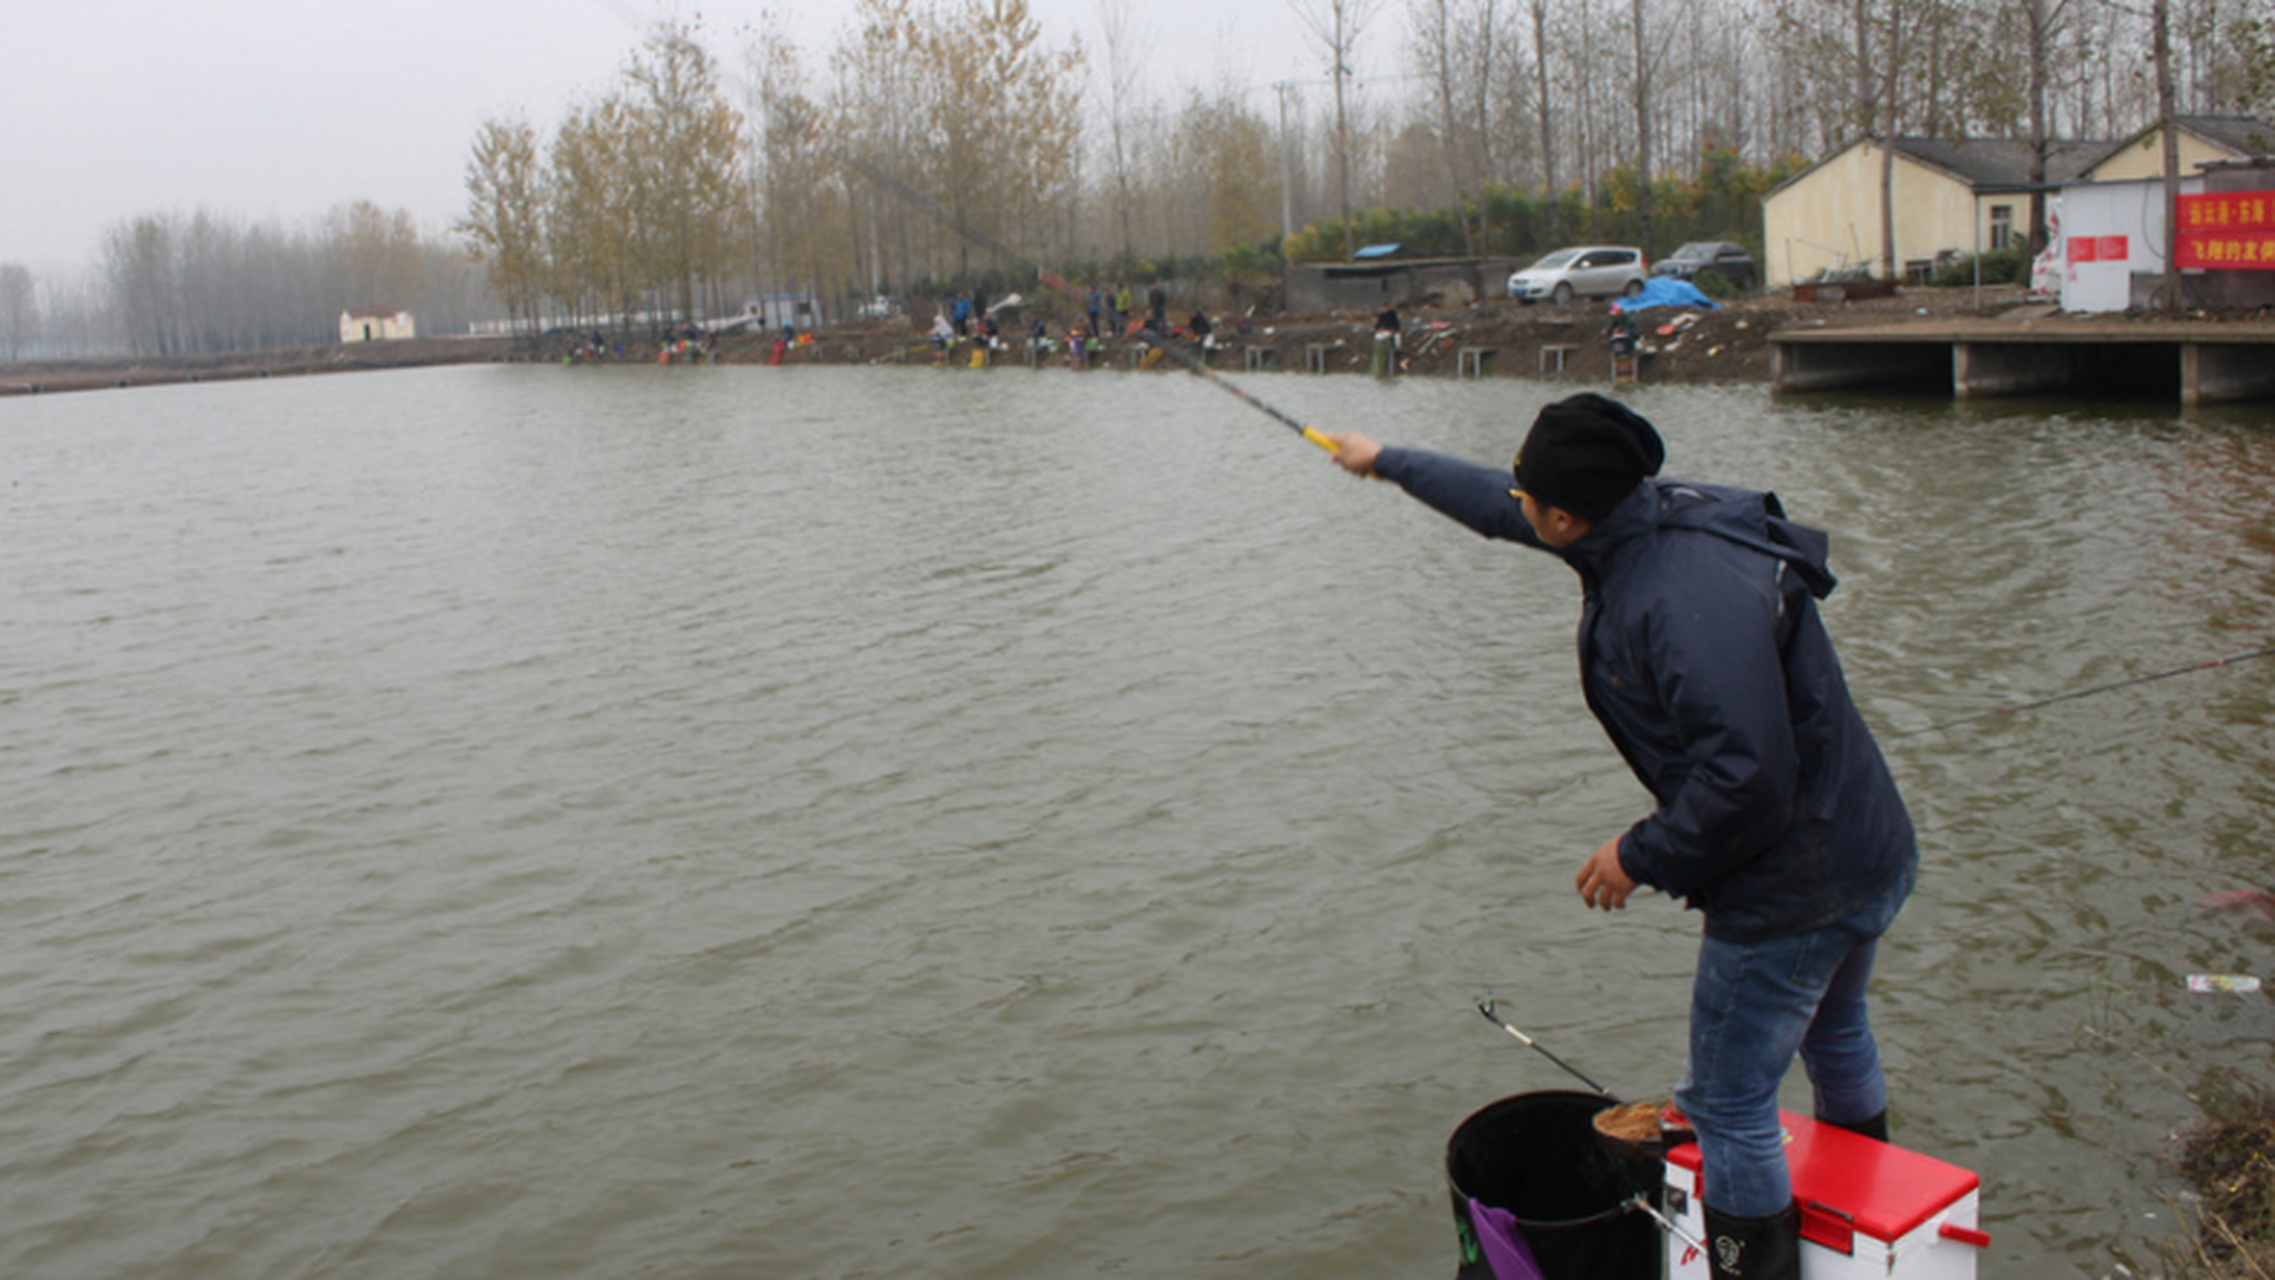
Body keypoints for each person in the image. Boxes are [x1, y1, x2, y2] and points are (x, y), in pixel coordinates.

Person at [1320, 394, 1917, 1280]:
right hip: (1865, 846)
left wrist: (1636, 855)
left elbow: (1745, 778)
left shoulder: (1673, 605)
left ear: (1565, 516)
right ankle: (1866, 1232)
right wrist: (1390, 460)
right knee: (1835, 1032)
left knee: (1727, 1105)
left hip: (1794, 888)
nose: (1518, 507)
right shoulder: (1644, 515)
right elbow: (1502, 504)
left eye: (1533, 500)